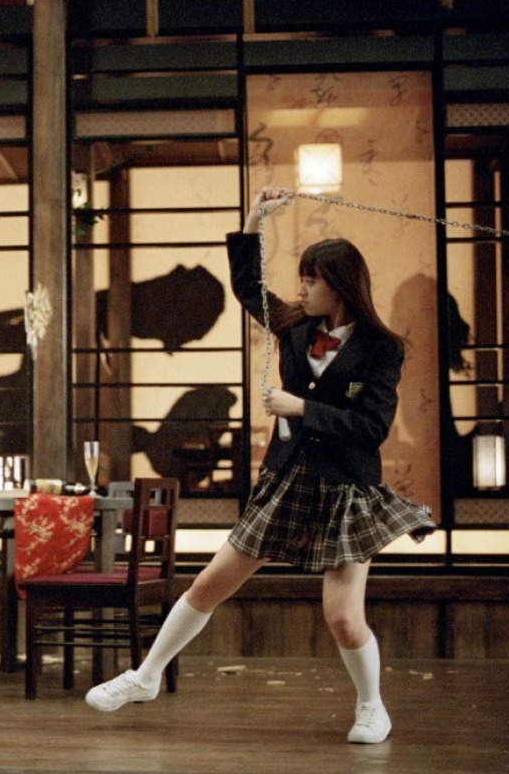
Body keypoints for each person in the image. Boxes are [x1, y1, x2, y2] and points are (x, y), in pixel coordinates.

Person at [85, 187, 436, 745]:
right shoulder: (294, 326)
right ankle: (144, 677)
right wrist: (254, 218)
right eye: (301, 279)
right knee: (208, 585)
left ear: (339, 285)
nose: (302, 289)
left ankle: (372, 708)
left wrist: (302, 408)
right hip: (288, 480)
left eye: (311, 280)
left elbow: (372, 427)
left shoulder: (381, 347)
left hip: (347, 490)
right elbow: (248, 285)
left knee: (344, 618)